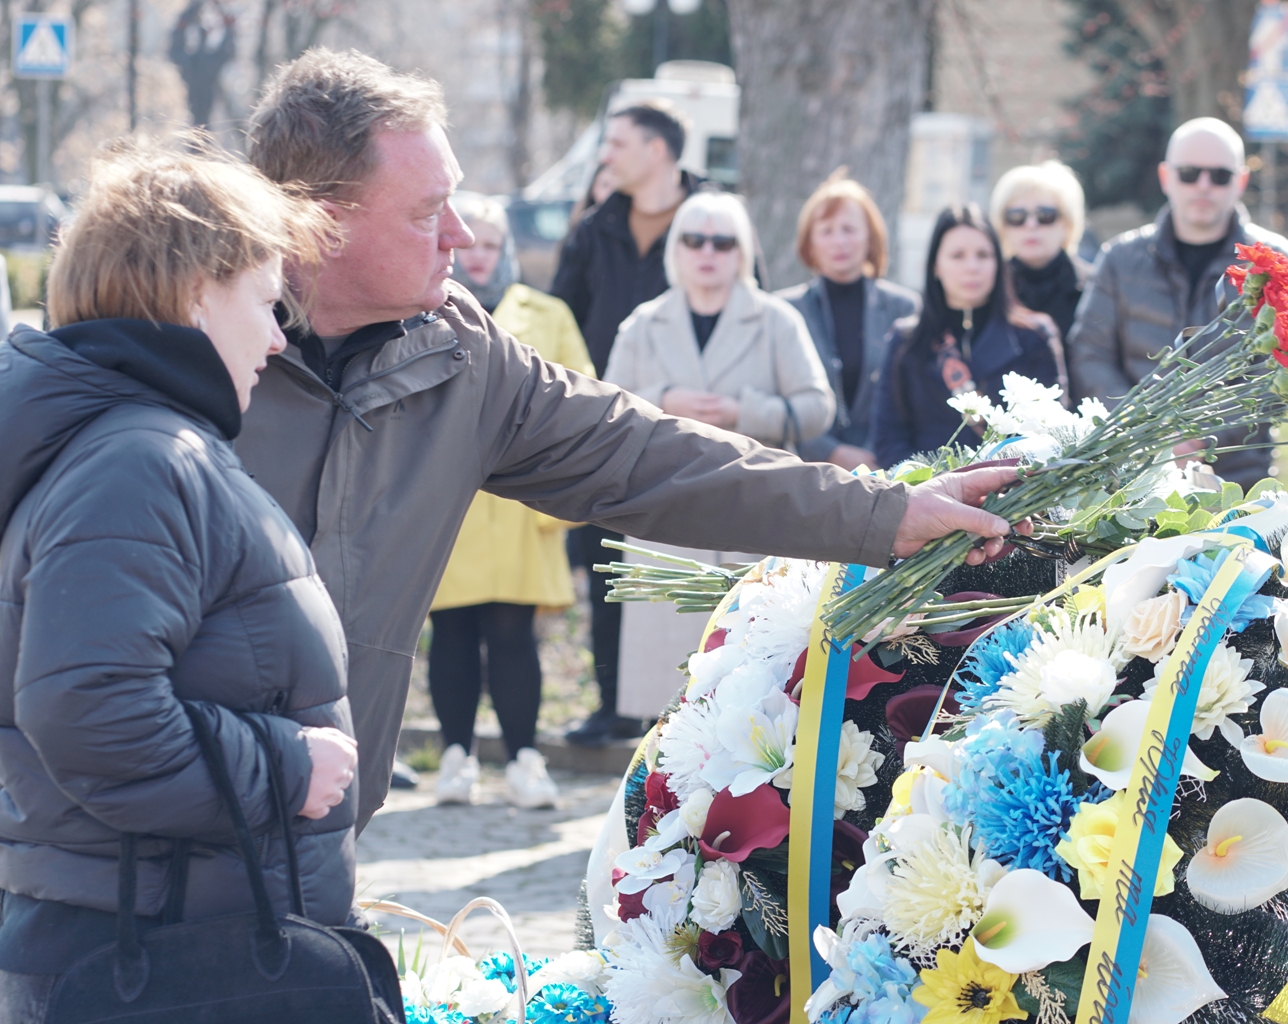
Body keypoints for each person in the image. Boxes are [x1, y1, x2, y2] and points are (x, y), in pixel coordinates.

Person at [237, 49, 1024, 829]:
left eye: (456, 202)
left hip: (325, 834)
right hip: (145, 847)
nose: (458, 234)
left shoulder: (459, 357)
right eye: (423, 212)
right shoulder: (182, 359)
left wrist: (889, 515)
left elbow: (653, 458)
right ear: (320, 223)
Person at [0, 142, 356, 1021]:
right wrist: (283, 765)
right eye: (267, 302)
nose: (279, 336)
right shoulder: (141, 458)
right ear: (197, 291)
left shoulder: (135, 443)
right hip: (159, 955)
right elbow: (90, 707)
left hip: (164, 935)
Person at [604, 191, 835, 718]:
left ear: (743, 251)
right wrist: (663, 400)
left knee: (750, 681)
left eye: (723, 241)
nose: (708, 251)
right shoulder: (642, 324)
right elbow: (604, 413)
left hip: (753, 511)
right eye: (694, 239)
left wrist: (745, 410)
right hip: (663, 514)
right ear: (675, 249)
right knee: (665, 693)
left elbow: (818, 407)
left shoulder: (777, 321)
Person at [429, 191, 592, 808]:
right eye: (474, 241)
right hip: (453, 503)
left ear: (508, 251)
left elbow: (584, 395)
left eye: (494, 243)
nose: (481, 255)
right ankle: (455, 757)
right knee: (451, 629)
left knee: (514, 633)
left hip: (522, 505)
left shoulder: (547, 313)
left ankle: (524, 757)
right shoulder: (421, 308)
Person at [551, 100, 699, 748]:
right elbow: (562, 322)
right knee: (607, 564)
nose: (605, 155)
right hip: (603, 431)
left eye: (617, 143)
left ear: (658, 151)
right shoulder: (594, 230)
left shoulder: (711, 222)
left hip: (689, 434)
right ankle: (614, 705)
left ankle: (690, 707)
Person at [1068, 117, 1288, 491]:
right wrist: (1145, 429)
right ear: (1165, 177)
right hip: (1131, 477)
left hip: (1236, 480)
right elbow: (1090, 355)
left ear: (1241, 181)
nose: (1204, 186)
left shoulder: (1275, 263)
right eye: (1189, 173)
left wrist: (1199, 436)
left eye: (1220, 176)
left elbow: (1283, 372)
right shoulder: (1119, 259)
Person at [870, 203, 1064, 468]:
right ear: (935, 265)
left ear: (999, 262)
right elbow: (889, 437)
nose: (972, 267)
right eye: (957, 255)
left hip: (1015, 496)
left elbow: (1052, 428)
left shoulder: (1034, 336)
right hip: (928, 497)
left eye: (983, 255)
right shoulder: (906, 341)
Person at [778, 170, 920, 472]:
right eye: (826, 231)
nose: (839, 241)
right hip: (805, 473)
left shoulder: (904, 309)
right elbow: (778, 398)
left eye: (849, 229)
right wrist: (831, 452)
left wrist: (877, 452)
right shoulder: (784, 311)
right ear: (810, 243)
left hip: (888, 470)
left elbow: (912, 398)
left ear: (870, 237)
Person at [990, 160, 1089, 345]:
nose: (1031, 225)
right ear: (1002, 225)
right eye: (1017, 217)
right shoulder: (987, 285)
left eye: (1045, 215)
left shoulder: (1097, 287)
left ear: (1067, 223)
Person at [450, 191, 519, 314]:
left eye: (490, 246)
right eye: (468, 245)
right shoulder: (426, 312)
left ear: (505, 251)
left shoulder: (549, 313)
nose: (478, 256)